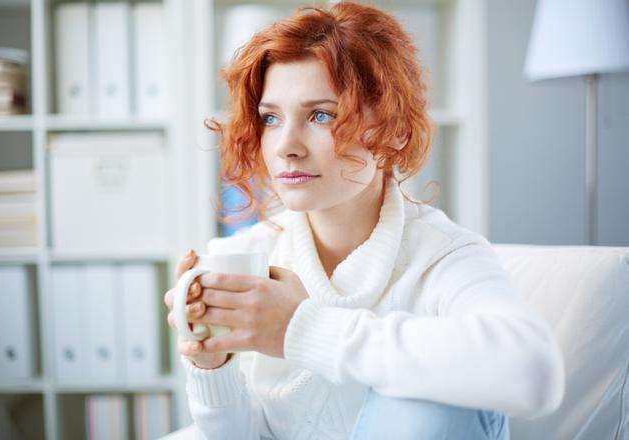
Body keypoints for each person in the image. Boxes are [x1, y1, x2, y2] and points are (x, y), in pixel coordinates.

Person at [163, 2, 565, 439]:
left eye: (321, 115)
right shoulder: (251, 255)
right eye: (271, 118)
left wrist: (299, 328)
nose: (286, 146)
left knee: (427, 399)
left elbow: (534, 374)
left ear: (390, 128)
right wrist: (211, 364)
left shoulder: (441, 256)